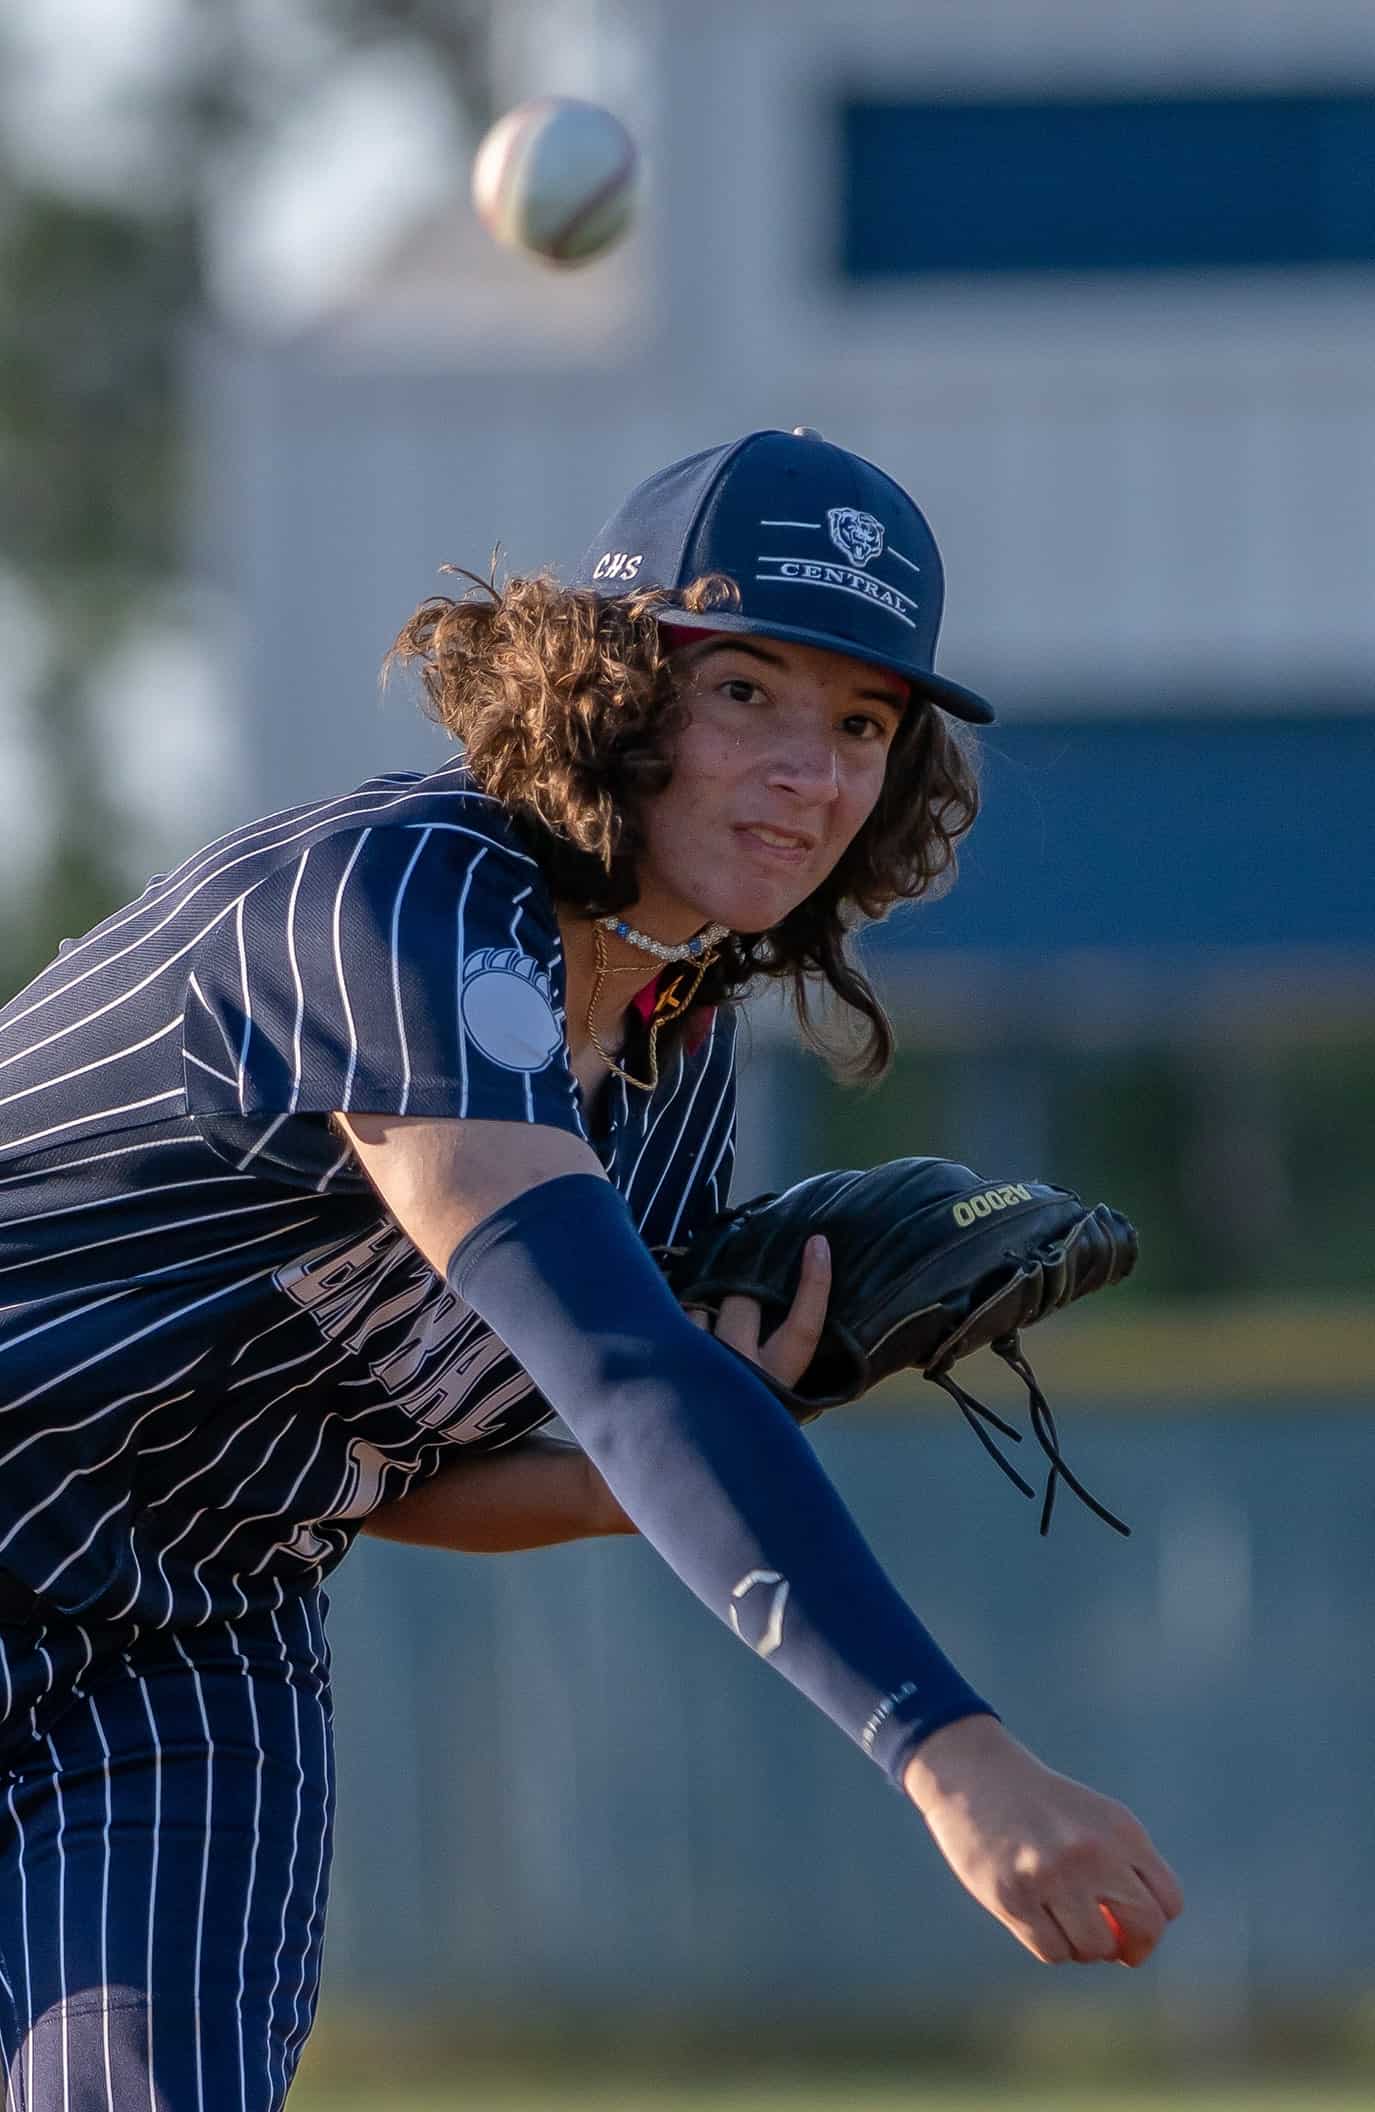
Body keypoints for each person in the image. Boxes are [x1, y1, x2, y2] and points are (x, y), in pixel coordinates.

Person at [0, 427, 1181, 2109]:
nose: (811, 769)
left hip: (185, 1635)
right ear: (608, 689)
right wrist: (950, 1751)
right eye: (749, 691)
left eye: (862, 723)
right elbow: (626, 1371)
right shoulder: (402, 896)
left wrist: (688, 1442)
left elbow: (395, 1476)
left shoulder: (667, 1062)